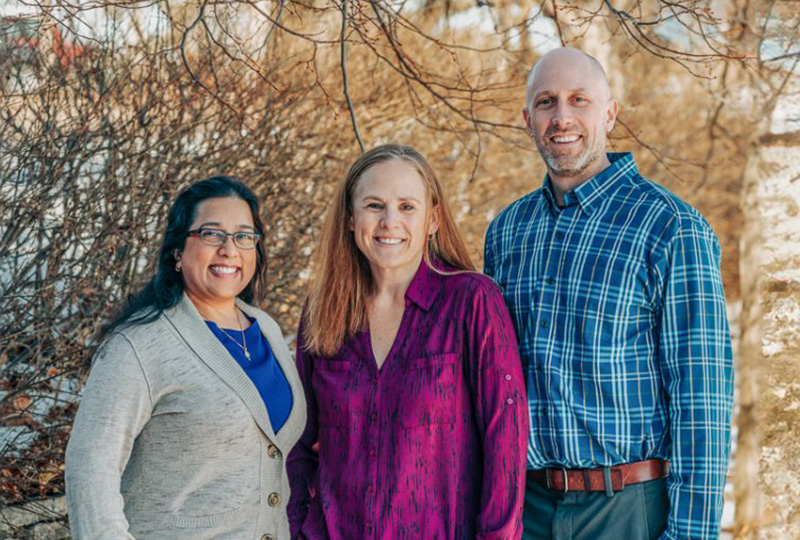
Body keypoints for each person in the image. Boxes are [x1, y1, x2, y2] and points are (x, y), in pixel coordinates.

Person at [483, 48, 734, 540]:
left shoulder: (671, 228)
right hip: (524, 507)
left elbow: (702, 399)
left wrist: (691, 534)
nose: (562, 117)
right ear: (527, 120)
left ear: (610, 113)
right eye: (546, 103)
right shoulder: (507, 233)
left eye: (580, 100)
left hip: (628, 508)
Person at [287, 144, 528, 540]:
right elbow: (298, 440)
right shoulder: (323, 310)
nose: (389, 222)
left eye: (407, 207)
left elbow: (506, 443)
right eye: (374, 205)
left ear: (433, 219)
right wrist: (299, 526)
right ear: (350, 218)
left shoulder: (471, 301)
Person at [66, 176, 306, 540]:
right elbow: (90, 468)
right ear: (178, 250)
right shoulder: (139, 344)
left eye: (244, 236)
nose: (229, 249)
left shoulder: (266, 330)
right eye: (212, 234)